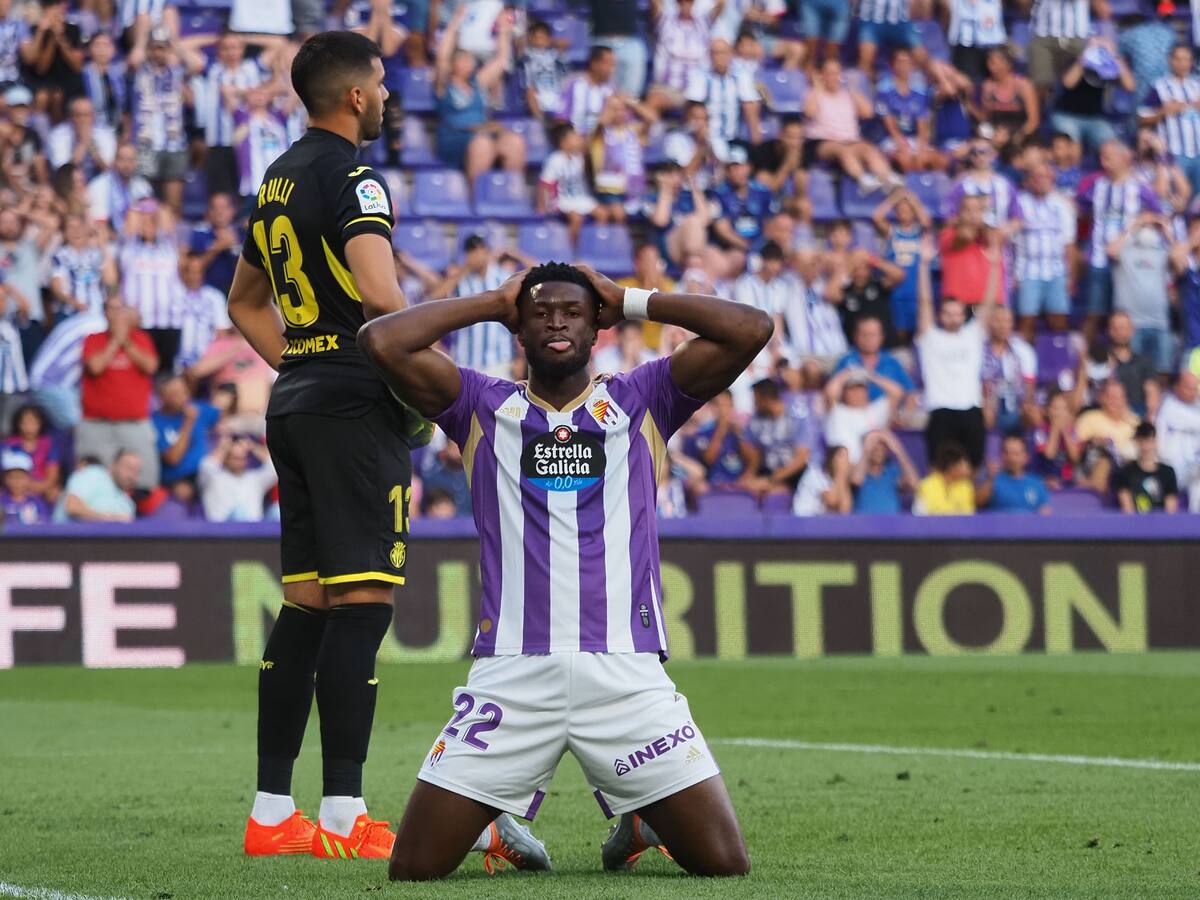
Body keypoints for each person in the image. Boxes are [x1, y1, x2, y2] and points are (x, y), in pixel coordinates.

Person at [226, 32, 528, 867]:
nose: (390, 96)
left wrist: (304, 366)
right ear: (356, 95)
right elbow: (382, 303)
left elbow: (243, 301)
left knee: (306, 605)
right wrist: (442, 357)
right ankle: (345, 814)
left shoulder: (277, 177)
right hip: (354, 409)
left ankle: (272, 813)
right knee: (361, 606)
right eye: (384, 84)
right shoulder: (356, 178)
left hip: (296, 404)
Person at [358, 261, 765, 881]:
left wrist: (631, 299)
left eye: (573, 312)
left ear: (596, 327)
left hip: (626, 673)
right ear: (519, 329)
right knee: (413, 869)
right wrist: (491, 302)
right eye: (540, 312)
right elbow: (381, 340)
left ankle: (642, 820)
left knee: (723, 864)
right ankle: (491, 823)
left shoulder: (644, 398)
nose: (556, 322)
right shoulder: (479, 406)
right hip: (512, 673)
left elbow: (751, 328)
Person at [916, 231, 1000, 469]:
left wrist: (994, 266)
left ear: (964, 316)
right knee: (938, 468)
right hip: (940, 409)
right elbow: (924, 302)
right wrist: (924, 265)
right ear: (940, 316)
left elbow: (989, 303)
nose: (953, 317)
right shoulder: (930, 337)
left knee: (972, 468)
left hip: (970, 409)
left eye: (957, 313)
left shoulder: (973, 335)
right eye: (948, 313)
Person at [433, 6, 524, 186]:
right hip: (456, 138)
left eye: (469, 59)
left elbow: (501, 60)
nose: (468, 62)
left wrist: (504, 30)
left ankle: (512, 193)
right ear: (453, 64)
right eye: (462, 59)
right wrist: (456, 21)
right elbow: (442, 57)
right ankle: (477, 196)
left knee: (515, 142)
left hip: (483, 134)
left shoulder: (478, 83)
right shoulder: (444, 84)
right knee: (483, 145)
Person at [76, 296, 159, 490]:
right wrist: (115, 341)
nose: (117, 314)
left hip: (134, 423)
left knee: (144, 481)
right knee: (92, 479)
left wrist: (126, 343)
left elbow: (150, 366)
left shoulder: (141, 338)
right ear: (105, 313)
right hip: (97, 424)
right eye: (112, 309)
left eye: (121, 309)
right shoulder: (93, 339)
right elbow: (95, 367)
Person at [804, 58, 901, 195]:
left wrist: (852, 89)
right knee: (843, 150)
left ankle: (887, 176)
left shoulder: (847, 95)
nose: (834, 77)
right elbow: (809, 112)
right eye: (830, 73)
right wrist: (817, 87)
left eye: (837, 73)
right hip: (822, 141)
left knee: (868, 148)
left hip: (850, 140)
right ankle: (862, 179)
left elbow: (868, 112)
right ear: (822, 75)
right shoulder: (814, 94)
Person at [1014, 162, 1074, 339]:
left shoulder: (1061, 205)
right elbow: (1012, 243)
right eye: (1036, 177)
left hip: (1057, 271)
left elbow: (1069, 243)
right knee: (1027, 320)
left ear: (1052, 179)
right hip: (1027, 271)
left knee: (1059, 320)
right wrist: (1013, 275)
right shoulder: (1019, 203)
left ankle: (1058, 355)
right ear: (1028, 181)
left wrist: (1071, 276)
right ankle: (1025, 355)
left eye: (1045, 177)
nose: (1040, 181)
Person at [1108, 221, 1174, 377]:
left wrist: (1166, 231)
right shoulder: (1125, 252)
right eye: (1144, 226)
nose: (1148, 230)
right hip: (1133, 325)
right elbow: (1110, 250)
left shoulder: (1163, 253)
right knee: (1134, 373)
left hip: (1160, 323)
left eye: (1151, 227)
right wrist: (1135, 224)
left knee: (1163, 372)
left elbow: (1180, 258)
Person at [1138, 44, 1200, 197]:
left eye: (1186, 60)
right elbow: (1142, 118)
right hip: (1175, 154)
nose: (1183, 64)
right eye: (1178, 59)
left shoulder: (1197, 85)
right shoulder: (1159, 86)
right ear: (1170, 61)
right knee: (1178, 198)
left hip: (1198, 153)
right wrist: (1163, 112)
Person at [744, 377, 811, 496]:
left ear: (765, 398)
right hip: (768, 472)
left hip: (795, 476)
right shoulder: (757, 419)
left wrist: (771, 480)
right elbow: (756, 454)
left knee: (772, 494)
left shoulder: (796, 418)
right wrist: (748, 477)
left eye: (756, 399)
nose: (754, 404)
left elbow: (801, 458)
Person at [822, 367, 902, 466]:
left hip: (867, 469)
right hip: (841, 466)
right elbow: (829, 392)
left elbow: (897, 392)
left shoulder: (876, 410)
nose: (857, 393)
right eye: (852, 389)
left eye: (861, 388)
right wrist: (847, 373)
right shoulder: (837, 410)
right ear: (844, 392)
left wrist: (871, 376)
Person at [684, 390, 761, 491]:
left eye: (728, 405)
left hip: (739, 482)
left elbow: (753, 458)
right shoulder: (703, 432)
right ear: (713, 407)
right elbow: (709, 459)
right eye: (720, 405)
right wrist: (721, 430)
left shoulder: (740, 430)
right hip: (714, 483)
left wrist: (738, 434)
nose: (724, 410)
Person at [153, 374, 219, 487]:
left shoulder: (197, 408)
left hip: (205, 476)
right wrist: (187, 424)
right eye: (176, 394)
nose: (184, 397)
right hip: (177, 481)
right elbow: (173, 459)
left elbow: (222, 415)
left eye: (184, 391)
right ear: (162, 398)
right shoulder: (155, 422)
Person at [1076, 379, 1140, 493]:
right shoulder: (1088, 419)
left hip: (1125, 467)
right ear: (1102, 398)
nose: (1113, 401)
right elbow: (1076, 450)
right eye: (1109, 397)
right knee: (1104, 459)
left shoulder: (1135, 422)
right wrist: (1094, 442)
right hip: (1094, 464)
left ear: (1125, 400)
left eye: (1117, 397)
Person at [198, 434, 278, 522]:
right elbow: (207, 466)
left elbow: (274, 468)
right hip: (223, 528)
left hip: (254, 528)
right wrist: (223, 448)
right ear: (226, 458)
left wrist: (252, 446)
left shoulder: (254, 479)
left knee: (277, 510)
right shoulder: (214, 478)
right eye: (235, 458)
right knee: (239, 512)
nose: (238, 462)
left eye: (242, 458)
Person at [1153, 371, 1200, 512]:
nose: (1193, 392)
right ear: (1176, 387)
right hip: (1173, 468)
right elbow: (1195, 422)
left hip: (1193, 469)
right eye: (1188, 388)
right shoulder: (1168, 406)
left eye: (1195, 388)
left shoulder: (1197, 405)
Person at [53, 450, 141, 523]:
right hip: (65, 536)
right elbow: (72, 507)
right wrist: (111, 519)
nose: (132, 476)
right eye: (128, 468)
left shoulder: (128, 506)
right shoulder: (93, 474)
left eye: (136, 472)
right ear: (113, 465)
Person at [850, 429, 919, 514]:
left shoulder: (892, 470)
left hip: (890, 521)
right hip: (863, 521)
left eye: (882, 446)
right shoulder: (856, 468)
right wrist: (867, 449)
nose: (878, 450)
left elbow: (914, 484)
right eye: (874, 445)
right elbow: (856, 481)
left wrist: (898, 450)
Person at [978, 434, 1051, 514]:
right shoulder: (992, 479)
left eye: (1015, 453)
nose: (1010, 458)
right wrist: (991, 479)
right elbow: (977, 504)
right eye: (1006, 452)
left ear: (1026, 457)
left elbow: (1045, 511)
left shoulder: (1036, 483)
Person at [1115, 421, 1178, 513]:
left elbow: (1171, 510)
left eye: (1149, 441)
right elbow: (1127, 509)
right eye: (1141, 441)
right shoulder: (1125, 472)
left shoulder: (1168, 472)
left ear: (1156, 442)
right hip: (1135, 521)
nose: (1145, 447)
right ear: (1136, 442)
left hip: (1162, 521)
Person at [1106, 312, 1159, 417]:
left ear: (1132, 330)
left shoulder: (1144, 361)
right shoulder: (1102, 360)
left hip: (1139, 415)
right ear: (1110, 331)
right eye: (1116, 328)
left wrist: (1149, 418)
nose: (1120, 332)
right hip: (1110, 414)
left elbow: (1152, 392)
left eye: (1124, 328)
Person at [913, 441, 976, 516]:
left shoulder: (967, 486)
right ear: (952, 466)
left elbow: (969, 516)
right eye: (963, 464)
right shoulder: (926, 485)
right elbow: (919, 515)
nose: (968, 468)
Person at [0, 448, 50, 526]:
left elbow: (44, 525)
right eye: (12, 477)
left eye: (21, 477)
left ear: (29, 478)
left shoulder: (37, 502)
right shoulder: (1, 501)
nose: (17, 482)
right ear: (5, 479)